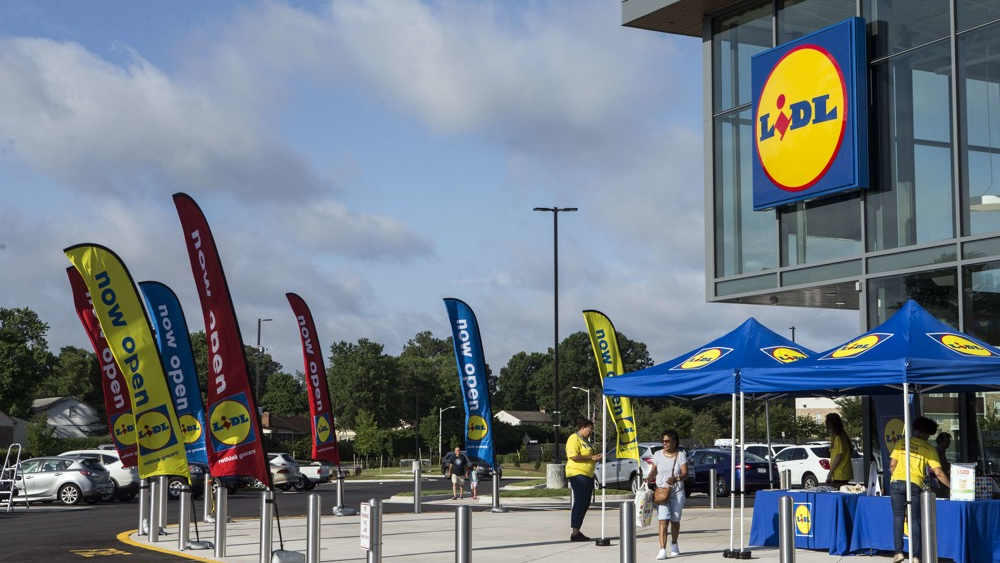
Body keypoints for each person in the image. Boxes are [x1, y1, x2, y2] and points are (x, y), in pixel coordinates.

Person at [889, 416, 950, 563]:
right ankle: (916, 555)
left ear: (916, 429)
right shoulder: (929, 449)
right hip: (915, 483)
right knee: (914, 520)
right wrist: (952, 487)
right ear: (929, 433)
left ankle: (898, 552)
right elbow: (938, 473)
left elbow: (892, 465)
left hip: (896, 481)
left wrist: (897, 476)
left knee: (898, 518)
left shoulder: (902, 442)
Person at [646, 429, 688, 559]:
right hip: (662, 493)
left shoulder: (680, 455)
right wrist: (649, 476)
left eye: (667, 441)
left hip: (677, 493)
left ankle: (674, 543)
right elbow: (654, 470)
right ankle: (662, 549)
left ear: (674, 442)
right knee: (663, 520)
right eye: (663, 441)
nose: (665, 443)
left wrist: (676, 478)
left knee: (675, 520)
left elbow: (685, 473)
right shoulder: (658, 454)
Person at [565, 417, 602, 542]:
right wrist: (591, 457)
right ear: (583, 427)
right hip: (577, 473)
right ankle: (575, 532)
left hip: (587, 474)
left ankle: (577, 530)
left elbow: (588, 456)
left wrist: (595, 457)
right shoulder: (573, 438)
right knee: (580, 501)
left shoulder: (584, 440)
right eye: (589, 429)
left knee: (585, 502)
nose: (590, 432)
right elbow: (574, 456)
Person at [824, 413, 854, 487]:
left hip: (840, 473)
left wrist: (830, 473)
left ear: (831, 424)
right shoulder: (842, 435)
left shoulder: (838, 437)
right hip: (843, 472)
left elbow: (839, 456)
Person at [933, 432, 952, 497]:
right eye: (947, 442)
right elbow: (940, 466)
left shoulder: (941, 451)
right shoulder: (938, 451)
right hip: (939, 479)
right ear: (941, 441)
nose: (949, 444)